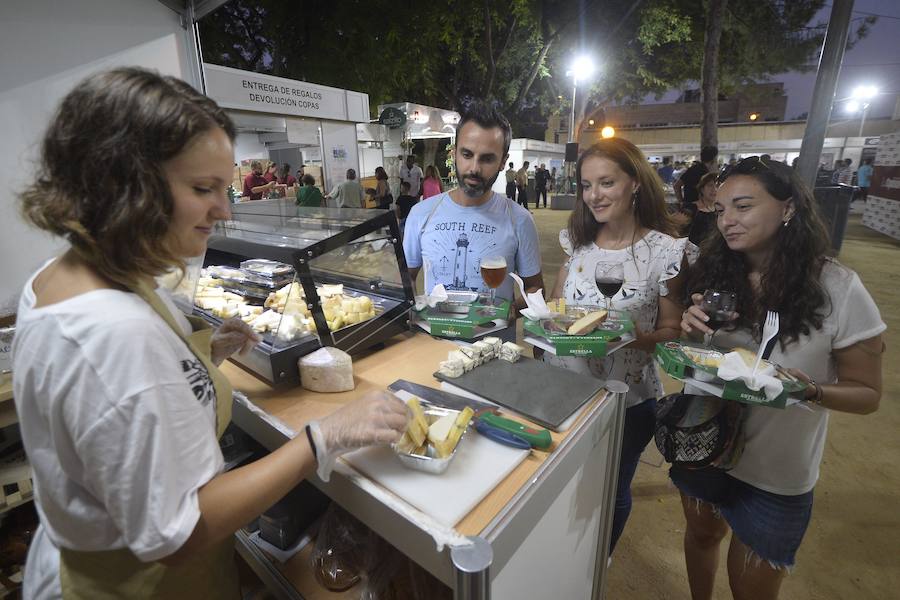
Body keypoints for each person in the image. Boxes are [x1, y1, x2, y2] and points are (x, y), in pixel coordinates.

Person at [12, 67, 409, 600]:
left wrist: (203, 352)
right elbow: (180, 531)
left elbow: (120, 407)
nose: (223, 210)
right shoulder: (113, 334)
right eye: (203, 188)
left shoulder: (71, 274)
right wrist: (323, 437)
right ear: (123, 184)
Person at [678, 156, 884, 600]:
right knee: (700, 537)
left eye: (743, 207)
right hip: (703, 444)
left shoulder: (838, 287)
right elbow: (700, 357)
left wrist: (810, 389)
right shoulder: (715, 271)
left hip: (775, 470)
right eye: (720, 210)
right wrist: (689, 327)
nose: (728, 221)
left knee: (753, 584)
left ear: (788, 208)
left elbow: (868, 394)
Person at [545, 137, 694, 555]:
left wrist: (634, 338)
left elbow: (672, 332)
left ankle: (596, 564)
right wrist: (542, 322)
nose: (594, 195)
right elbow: (558, 310)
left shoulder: (666, 252)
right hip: (562, 394)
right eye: (587, 185)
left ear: (634, 183)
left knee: (610, 490)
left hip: (626, 401)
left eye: (606, 182)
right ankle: (565, 561)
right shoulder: (576, 243)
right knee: (562, 485)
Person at [403, 101, 543, 306]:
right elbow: (406, 278)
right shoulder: (421, 213)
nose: (474, 168)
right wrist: (411, 312)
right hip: (435, 337)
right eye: (467, 154)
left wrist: (509, 311)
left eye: (487, 159)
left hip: (493, 339)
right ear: (454, 153)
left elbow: (535, 287)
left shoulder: (520, 219)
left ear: (503, 162)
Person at [685, 171, 718, 246]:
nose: (714, 189)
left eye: (717, 186)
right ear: (702, 189)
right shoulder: (690, 208)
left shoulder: (721, 209)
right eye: (710, 185)